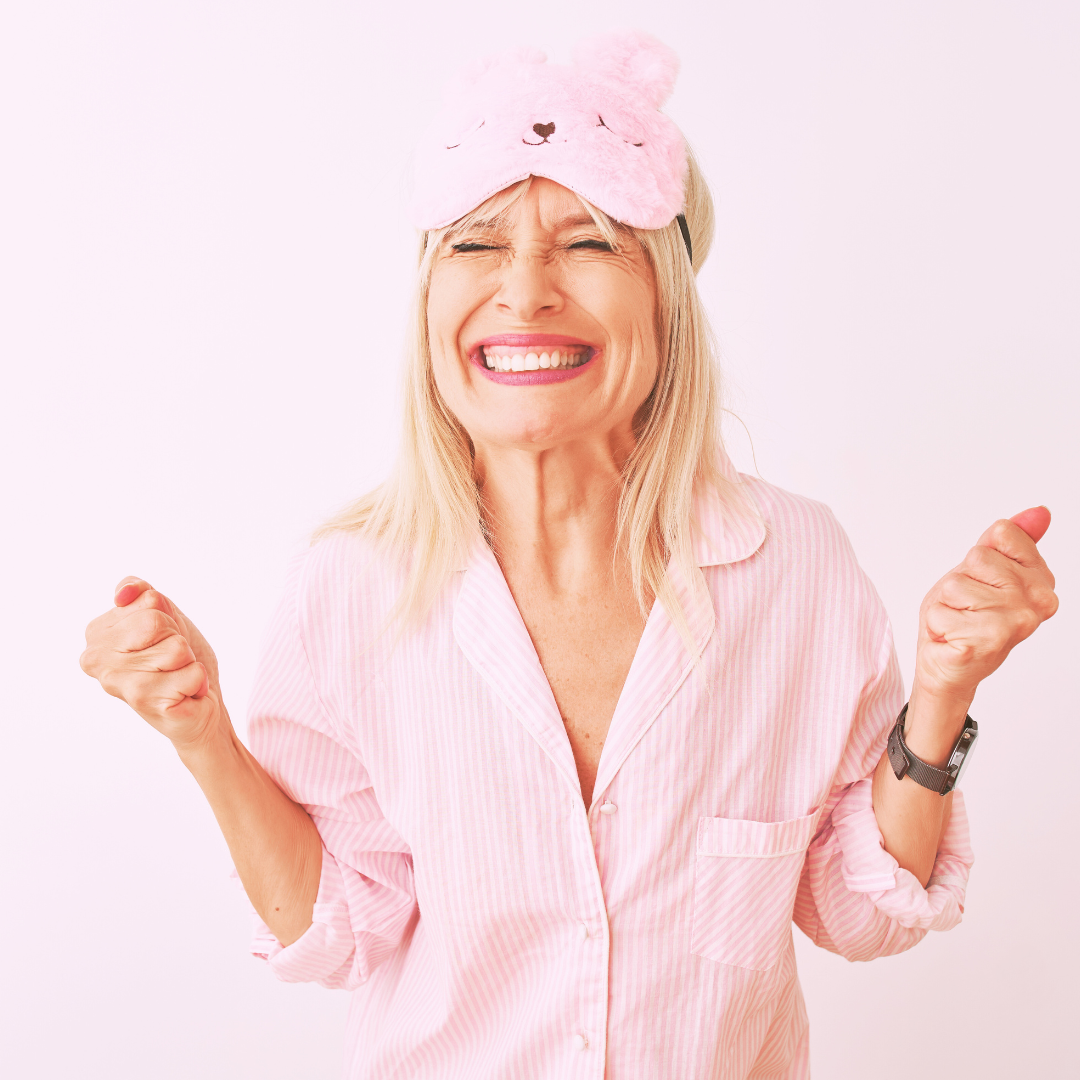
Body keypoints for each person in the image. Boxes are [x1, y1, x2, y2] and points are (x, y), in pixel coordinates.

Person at [79, 31, 1058, 1080]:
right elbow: (343, 931)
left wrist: (944, 694)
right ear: (429, 301)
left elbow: (856, 913)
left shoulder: (796, 568)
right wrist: (203, 736)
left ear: (664, 293)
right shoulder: (349, 587)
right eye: (477, 243)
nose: (527, 290)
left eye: (588, 241)